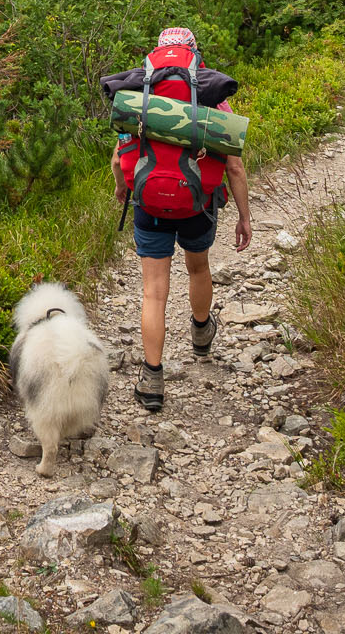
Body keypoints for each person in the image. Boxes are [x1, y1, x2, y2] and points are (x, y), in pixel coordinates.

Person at [112, 26, 252, 412]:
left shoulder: (139, 99)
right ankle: (201, 333)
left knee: (154, 291)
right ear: (194, 57)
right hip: (197, 204)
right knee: (197, 268)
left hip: (150, 204)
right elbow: (235, 168)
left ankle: (152, 378)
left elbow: (117, 157)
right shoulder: (211, 101)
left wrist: (124, 188)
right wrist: (244, 216)